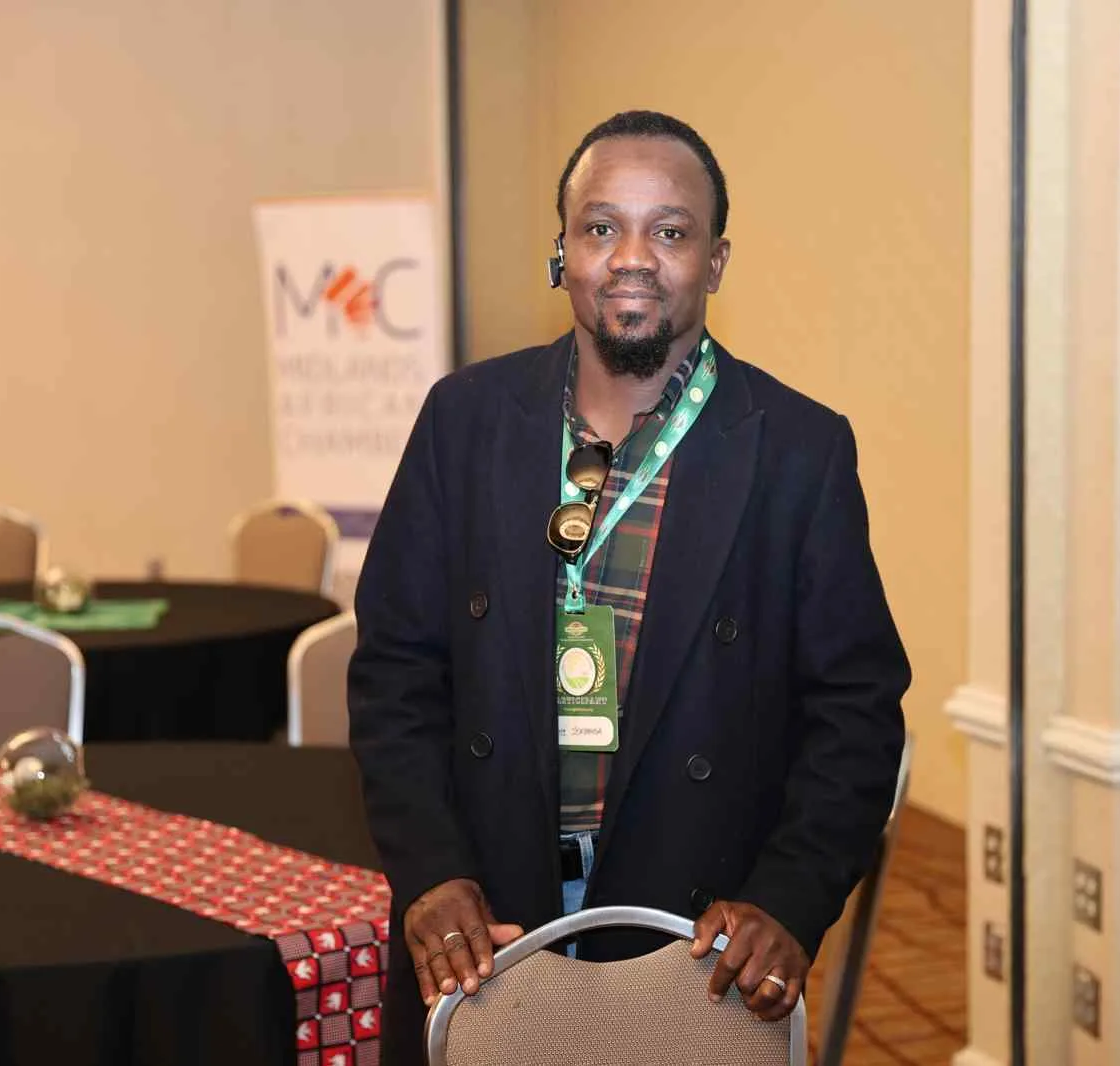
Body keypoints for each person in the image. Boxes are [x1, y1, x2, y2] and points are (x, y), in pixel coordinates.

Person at [349, 109, 910, 1061]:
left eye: (671, 230)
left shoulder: (799, 450)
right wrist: (430, 871)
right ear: (562, 253)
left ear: (716, 262)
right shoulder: (463, 421)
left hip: (692, 950)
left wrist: (788, 898)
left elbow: (856, 713)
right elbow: (395, 674)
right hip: (488, 935)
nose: (632, 257)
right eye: (601, 227)